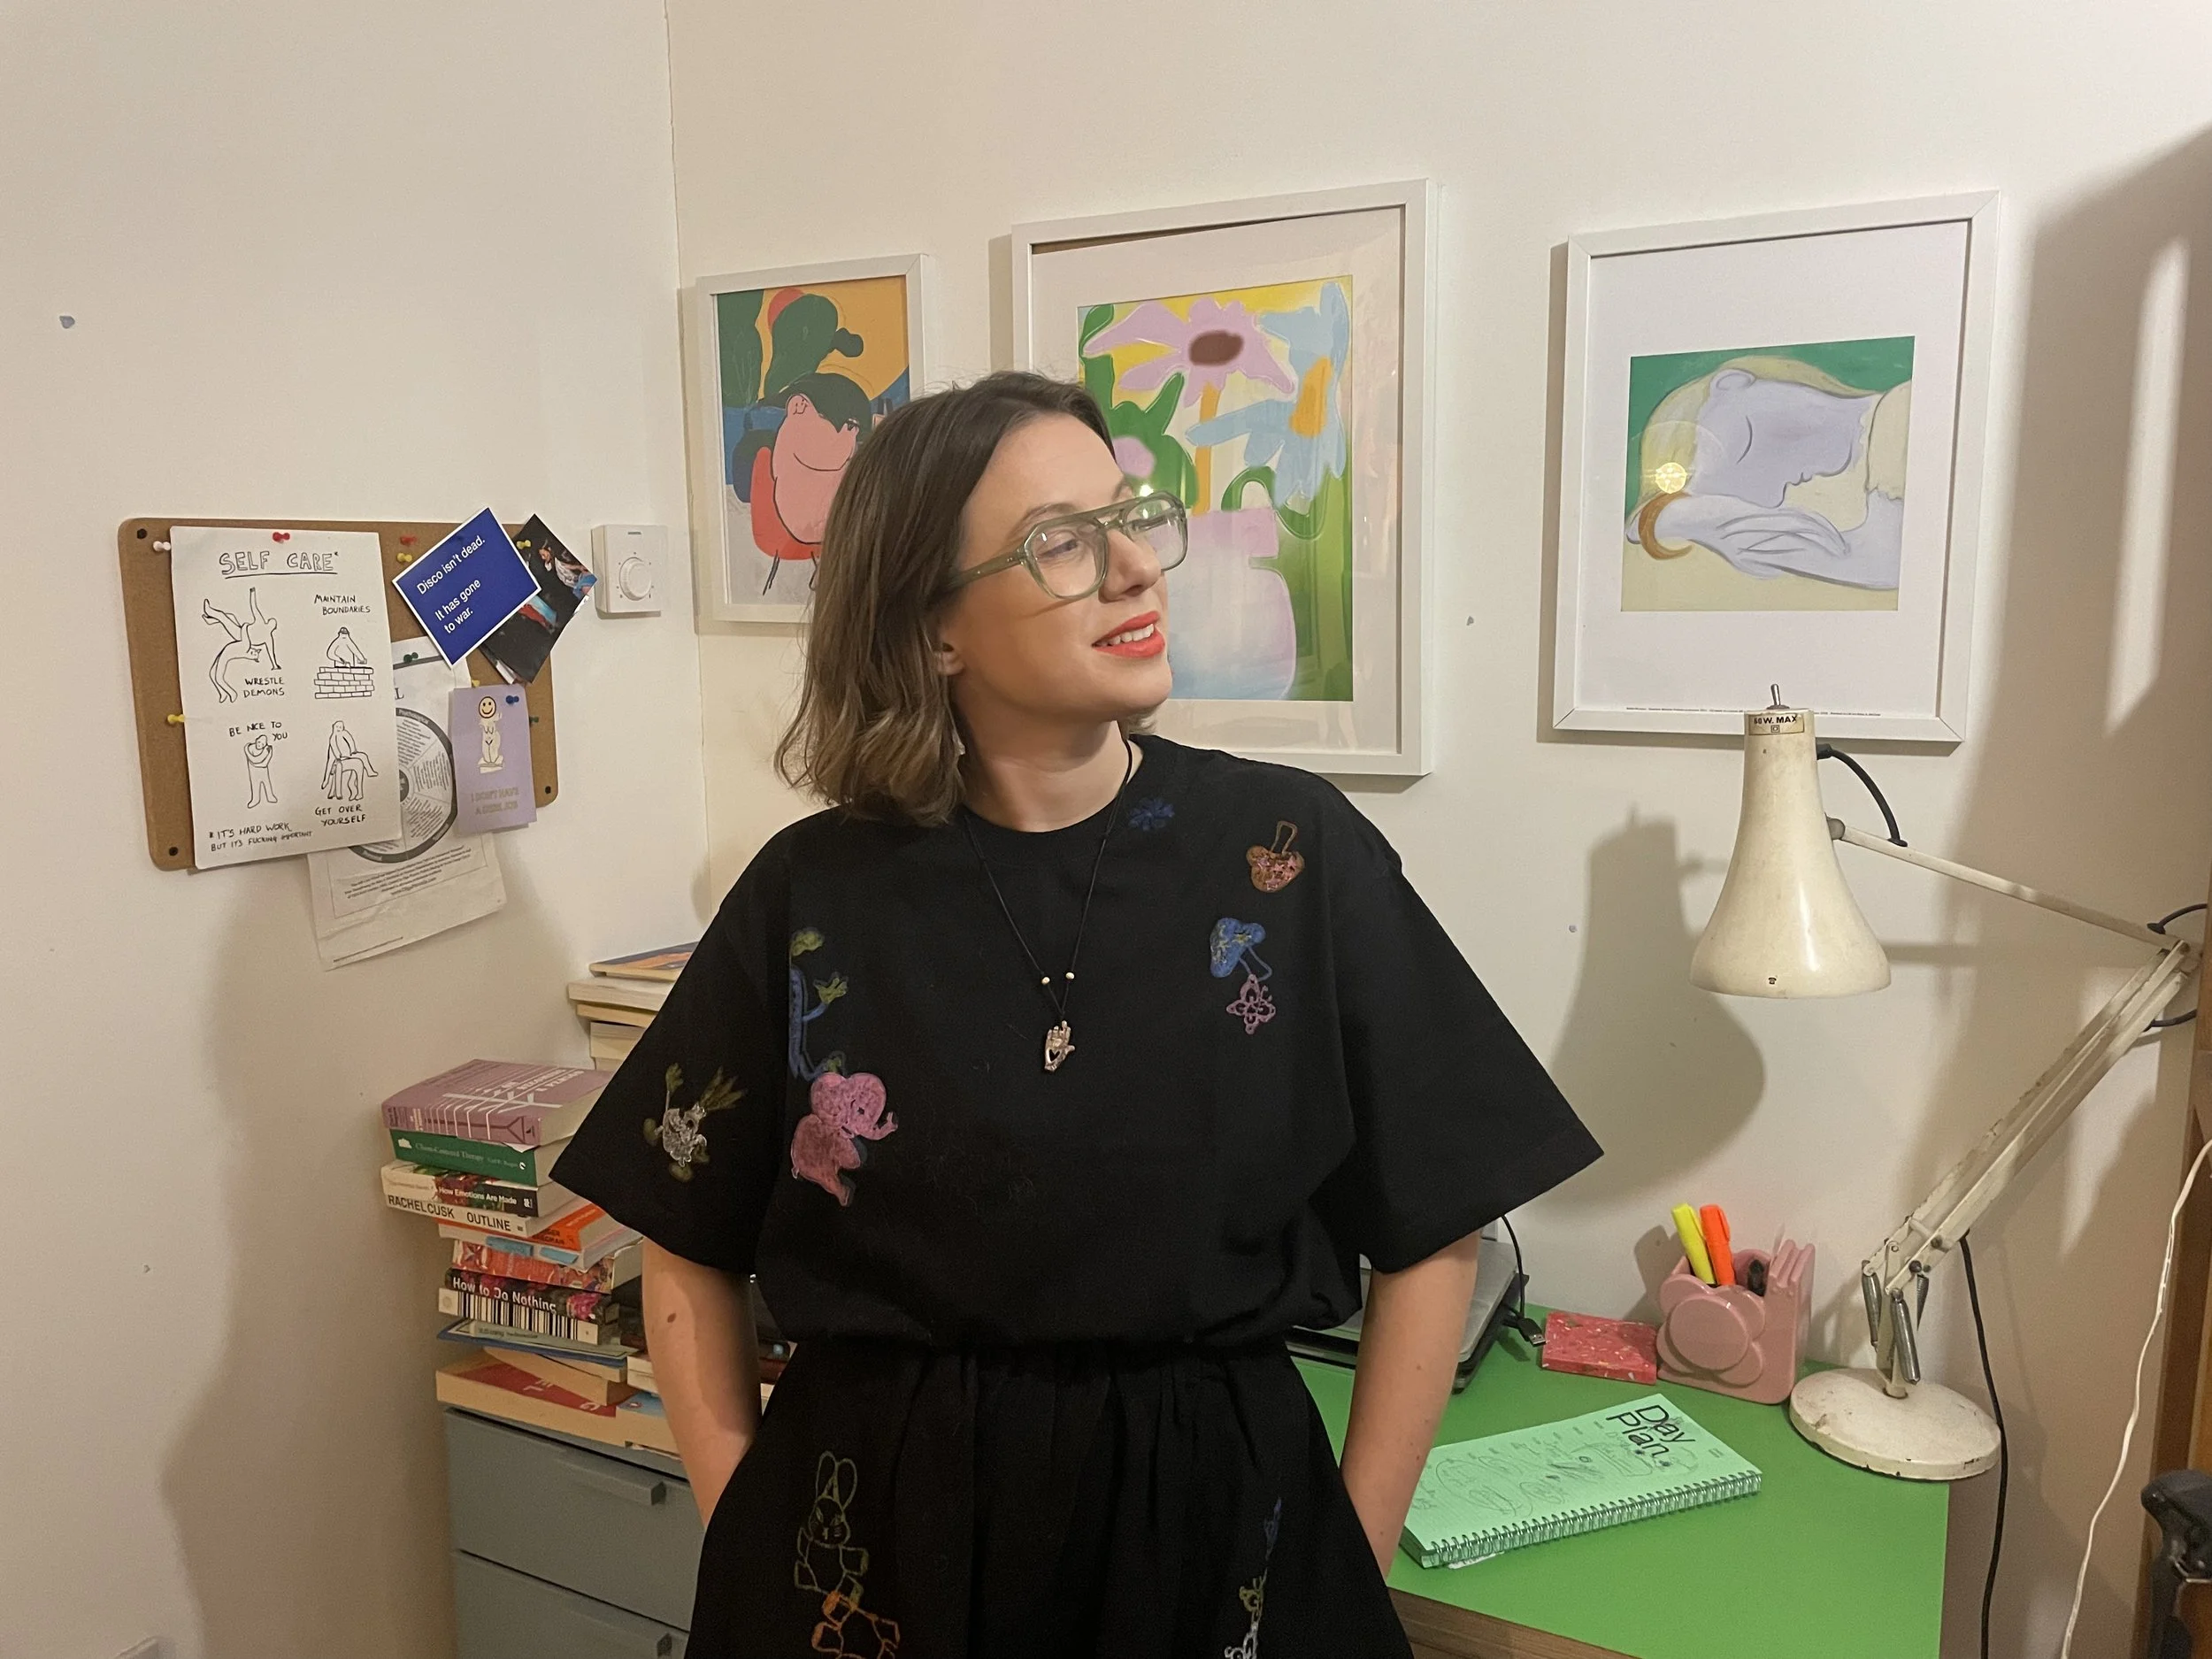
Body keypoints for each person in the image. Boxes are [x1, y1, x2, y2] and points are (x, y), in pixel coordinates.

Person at [553, 372, 1600, 1658]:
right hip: (871, 1560)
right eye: (1060, 541)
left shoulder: (1288, 854)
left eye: (1131, 517)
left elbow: (1436, 1218)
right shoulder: (813, 892)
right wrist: (749, 1523)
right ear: (932, 627)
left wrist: (1348, 1545)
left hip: (1214, 1543)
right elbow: (685, 1232)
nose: (1133, 570)